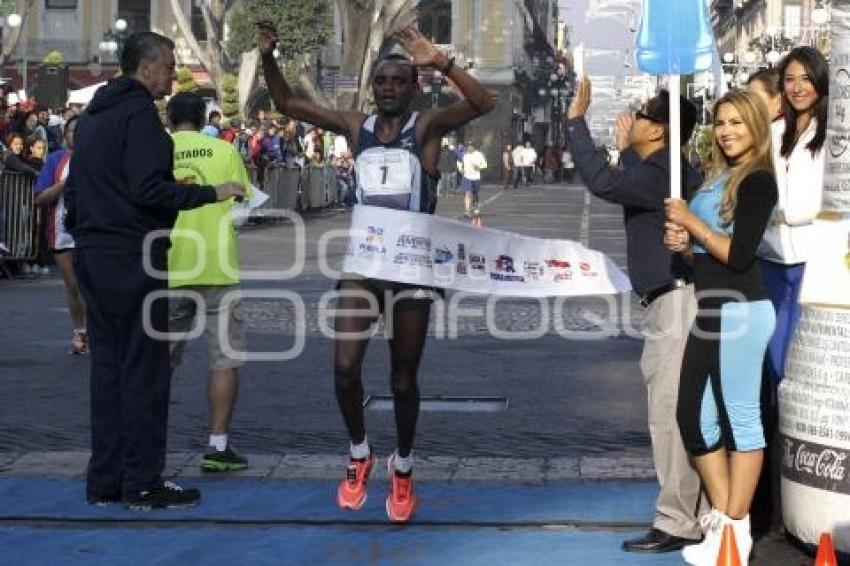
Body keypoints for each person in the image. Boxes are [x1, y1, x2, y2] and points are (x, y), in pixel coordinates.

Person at [258, 22, 494, 523]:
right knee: (344, 369)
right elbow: (287, 106)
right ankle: (360, 453)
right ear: (374, 88)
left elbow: (483, 103)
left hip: (410, 271)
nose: (388, 88)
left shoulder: (426, 129)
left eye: (398, 81)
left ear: (412, 87)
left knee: (403, 380)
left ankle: (403, 467)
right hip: (363, 268)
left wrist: (443, 63)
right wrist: (268, 55)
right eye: (381, 82)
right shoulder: (354, 126)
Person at [64, 31, 245, 511]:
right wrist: (210, 193)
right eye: (167, 66)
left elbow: (76, 194)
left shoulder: (91, 119)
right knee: (144, 371)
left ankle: (106, 480)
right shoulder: (140, 115)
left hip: (93, 253)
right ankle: (143, 481)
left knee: (107, 371)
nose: (172, 74)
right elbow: (149, 190)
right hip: (132, 256)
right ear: (145, 68)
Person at [566, 76, 707, 554]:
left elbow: (604, 183)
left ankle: (678, 521)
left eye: (645, 114)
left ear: (661, 130)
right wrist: (627, 149)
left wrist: (575, 123)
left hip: (676, 301)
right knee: (673, 410)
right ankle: (695, 513)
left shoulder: (664, 173)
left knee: (668, 415)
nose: (635, 118)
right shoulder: (660, 170)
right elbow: (629, 185)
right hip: (667, 301)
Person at [664, 89, 778, 566]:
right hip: (712, 309)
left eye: (737, 122)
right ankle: (730, 521)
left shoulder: (758, 181)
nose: (728, 131)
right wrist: (684, 247)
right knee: (694, 417)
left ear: (756, 126)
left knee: (742, 419)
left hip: (741, 311)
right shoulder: (718, 177)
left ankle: (733, 529)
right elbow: (707, 259)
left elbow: (739, 254)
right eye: (722, 122)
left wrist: (691, 221)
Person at [165, 92, 253, 473]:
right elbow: (243, 211)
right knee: (224, 360)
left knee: (158, 362)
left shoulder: (155, 148)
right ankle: (217, 445)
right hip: (217, 265)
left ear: (169, 118)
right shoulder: (223, 151)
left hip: (167, 267)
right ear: (203, 119)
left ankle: (146, 439)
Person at [758, 46, 827, 386]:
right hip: (769, 255)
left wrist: (788, 215)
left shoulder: (834, 136)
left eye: (806, 79)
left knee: (799, 354)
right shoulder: (772, 133)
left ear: (820, 82)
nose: (797, 88)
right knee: (770, 353)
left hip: (812, 258)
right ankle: (771, 432)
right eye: (789, 80)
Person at [33, 115, 87, 354]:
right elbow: (39, 199)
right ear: (65, 135)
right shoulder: (56, 160)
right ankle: (80, 332)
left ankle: (99, 332)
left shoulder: (100, 158)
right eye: (72, 130)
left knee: (93, 287)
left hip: (93, 231)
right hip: (62, 232)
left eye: (81, 130)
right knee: (73, 286)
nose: (76, 135)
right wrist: (65, 183)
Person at [460, 141, 487, 217]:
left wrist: (479, 167)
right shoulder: (465, 155)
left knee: (475, 194)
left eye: (471, 146)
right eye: (468, 146)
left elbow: (485, 165)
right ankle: (467, 211)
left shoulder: (479, 154)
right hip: (467, 177)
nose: (469, 147)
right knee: (467, 193)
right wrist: (461, 169)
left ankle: (476, 207)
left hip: (476, 177)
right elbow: (460, 163)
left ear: (474, 147)